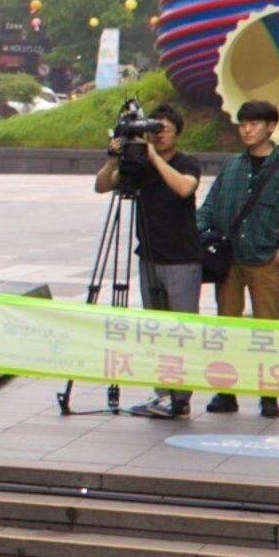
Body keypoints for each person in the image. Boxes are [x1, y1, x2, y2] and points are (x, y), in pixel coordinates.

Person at [195, 97, 279, 417]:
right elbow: (209, 206)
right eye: (242, 124)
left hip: (264, 260)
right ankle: (226, 392)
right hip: (229, 261)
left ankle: (269, 395)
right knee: (228, 328)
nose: (247, 129)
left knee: (268, 331)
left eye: (254, 124)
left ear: (271, 127)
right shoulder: (232, 165)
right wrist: (197, 233)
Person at [92, 101, 207, 419]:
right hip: (149, 257)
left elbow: (184, 189)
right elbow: (102, 185)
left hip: (182, 258)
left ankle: (181, 397)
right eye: (151, 129)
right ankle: (162, 394)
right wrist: (113, 158)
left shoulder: (188, 162)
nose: (156, 136)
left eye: (163, 130)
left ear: (177, 134)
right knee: (156, 329)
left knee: (181, 330)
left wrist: (153, 157)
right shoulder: (138, 165)